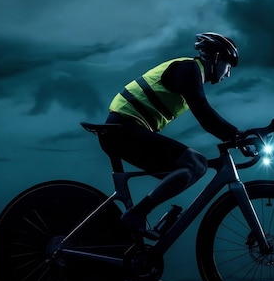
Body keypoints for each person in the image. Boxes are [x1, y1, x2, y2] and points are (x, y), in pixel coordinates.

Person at [102, 32, 241, 234]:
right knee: (196, 163)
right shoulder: (188, 69)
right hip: (122, 129)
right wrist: (237, 135)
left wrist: (234, 136)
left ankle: (143, 219)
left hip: (123, 130)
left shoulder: (191, 72)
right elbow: (203, 112)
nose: (228, 74)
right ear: (217, 58)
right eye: (228, 67)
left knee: (188, 171)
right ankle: (137, 214)